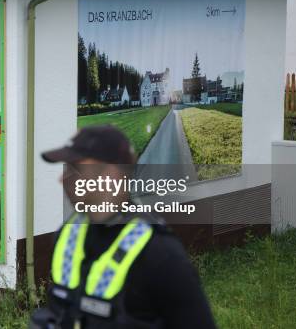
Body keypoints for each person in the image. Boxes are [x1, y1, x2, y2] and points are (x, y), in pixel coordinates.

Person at [30, 125, 216, 329]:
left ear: (112, 174)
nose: (62, 179)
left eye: (75, 168)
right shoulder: (68, 235)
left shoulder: (161, 254)